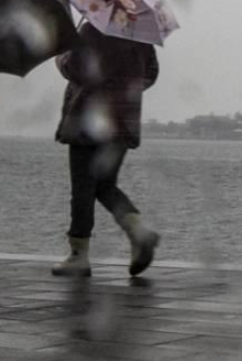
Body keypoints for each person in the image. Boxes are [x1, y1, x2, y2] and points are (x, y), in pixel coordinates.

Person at [51, 22, 160, 278]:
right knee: (104, 185)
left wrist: (62, 58)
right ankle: (139, 232)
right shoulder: (140, 33)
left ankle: (79, 256)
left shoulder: (92, 29)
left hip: (89, 122)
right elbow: (151, 74)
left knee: (83, 188)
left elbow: (77, 68)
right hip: (123, 123)